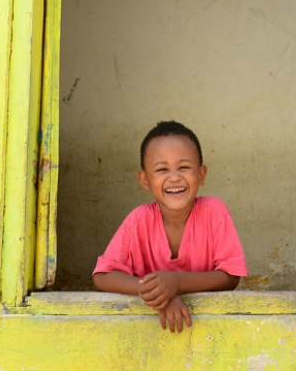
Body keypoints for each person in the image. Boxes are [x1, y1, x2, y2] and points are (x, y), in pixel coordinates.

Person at [92, 121, 247, 333]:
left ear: (201, 174)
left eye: (184, 167)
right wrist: (158, 293)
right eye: (162, 169)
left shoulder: (214, 212)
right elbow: (102, 276)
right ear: (145, 180)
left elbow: (230, 277)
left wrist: (176, 281)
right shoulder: (139, 221)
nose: (174, 177)